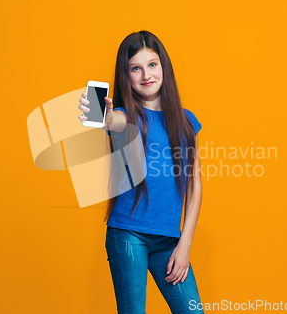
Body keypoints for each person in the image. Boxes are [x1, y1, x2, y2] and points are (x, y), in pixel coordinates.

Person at [78, 30, 204, 314]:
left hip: (171, 239)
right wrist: (103, 116)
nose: (146, 74)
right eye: (136, 68)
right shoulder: (127, 117)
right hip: (128, 235)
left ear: (163, 67)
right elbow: (113, 121)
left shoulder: (187, 121)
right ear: (127, 76)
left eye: (152, 64)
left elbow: (195, 186)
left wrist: (184, 244)